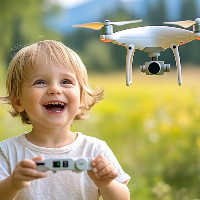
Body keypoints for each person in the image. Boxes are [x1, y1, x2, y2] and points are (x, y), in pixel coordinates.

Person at [0, 40, 130, 200]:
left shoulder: (94, 150)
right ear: (18, 101)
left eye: (66, 82)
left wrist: (107, 184)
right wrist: (13, 183)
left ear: (82, 97)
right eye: (40, 82)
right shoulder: (8, 151)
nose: (55, 89)